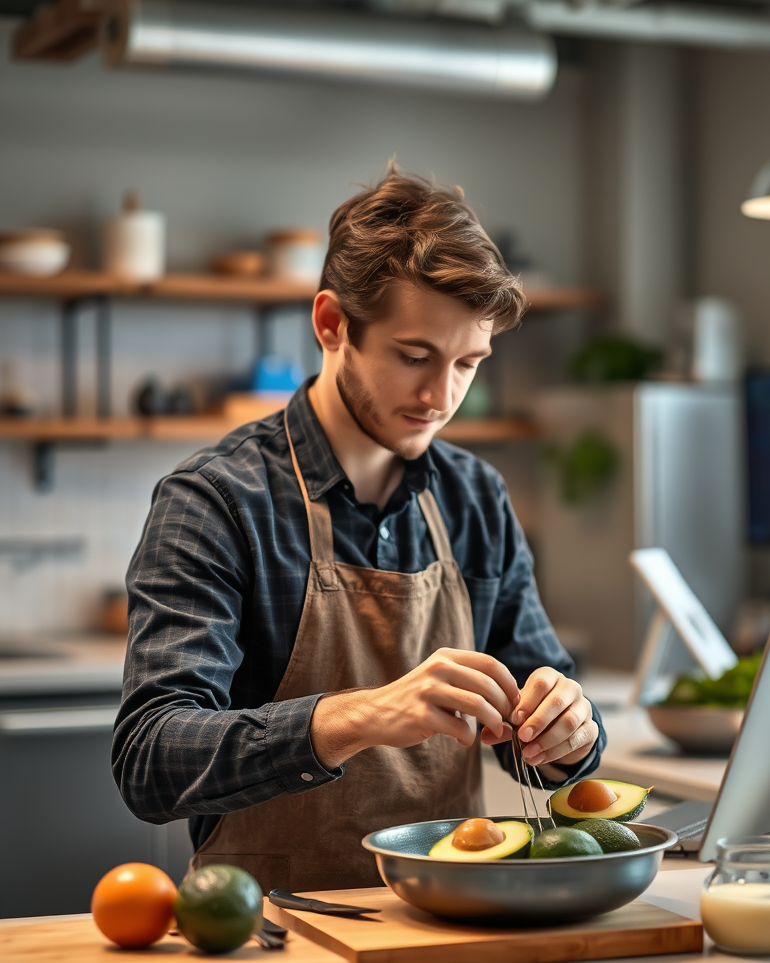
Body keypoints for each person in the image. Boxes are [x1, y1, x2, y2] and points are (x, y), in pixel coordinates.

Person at [113, 168, 606, 892]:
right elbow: (150, 759)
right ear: (331, 324)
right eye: (415, 357)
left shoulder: (474, 497)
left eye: (468, 363)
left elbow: (534, 722)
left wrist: (568, 733)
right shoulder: (215, 500)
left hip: (446, 924)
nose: (441, 398)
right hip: (270, 937)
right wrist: (362, 715)